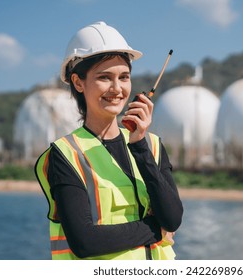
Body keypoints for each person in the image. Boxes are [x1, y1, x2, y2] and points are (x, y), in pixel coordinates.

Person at [35, 21, 183, 260]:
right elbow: (85, 242)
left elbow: (173, 218)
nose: (117, 88)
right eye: (105, 77)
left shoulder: (152, 145)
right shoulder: (66, 155)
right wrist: (156, 229)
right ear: (78, 82)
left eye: (124, 77)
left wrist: (139, 146)